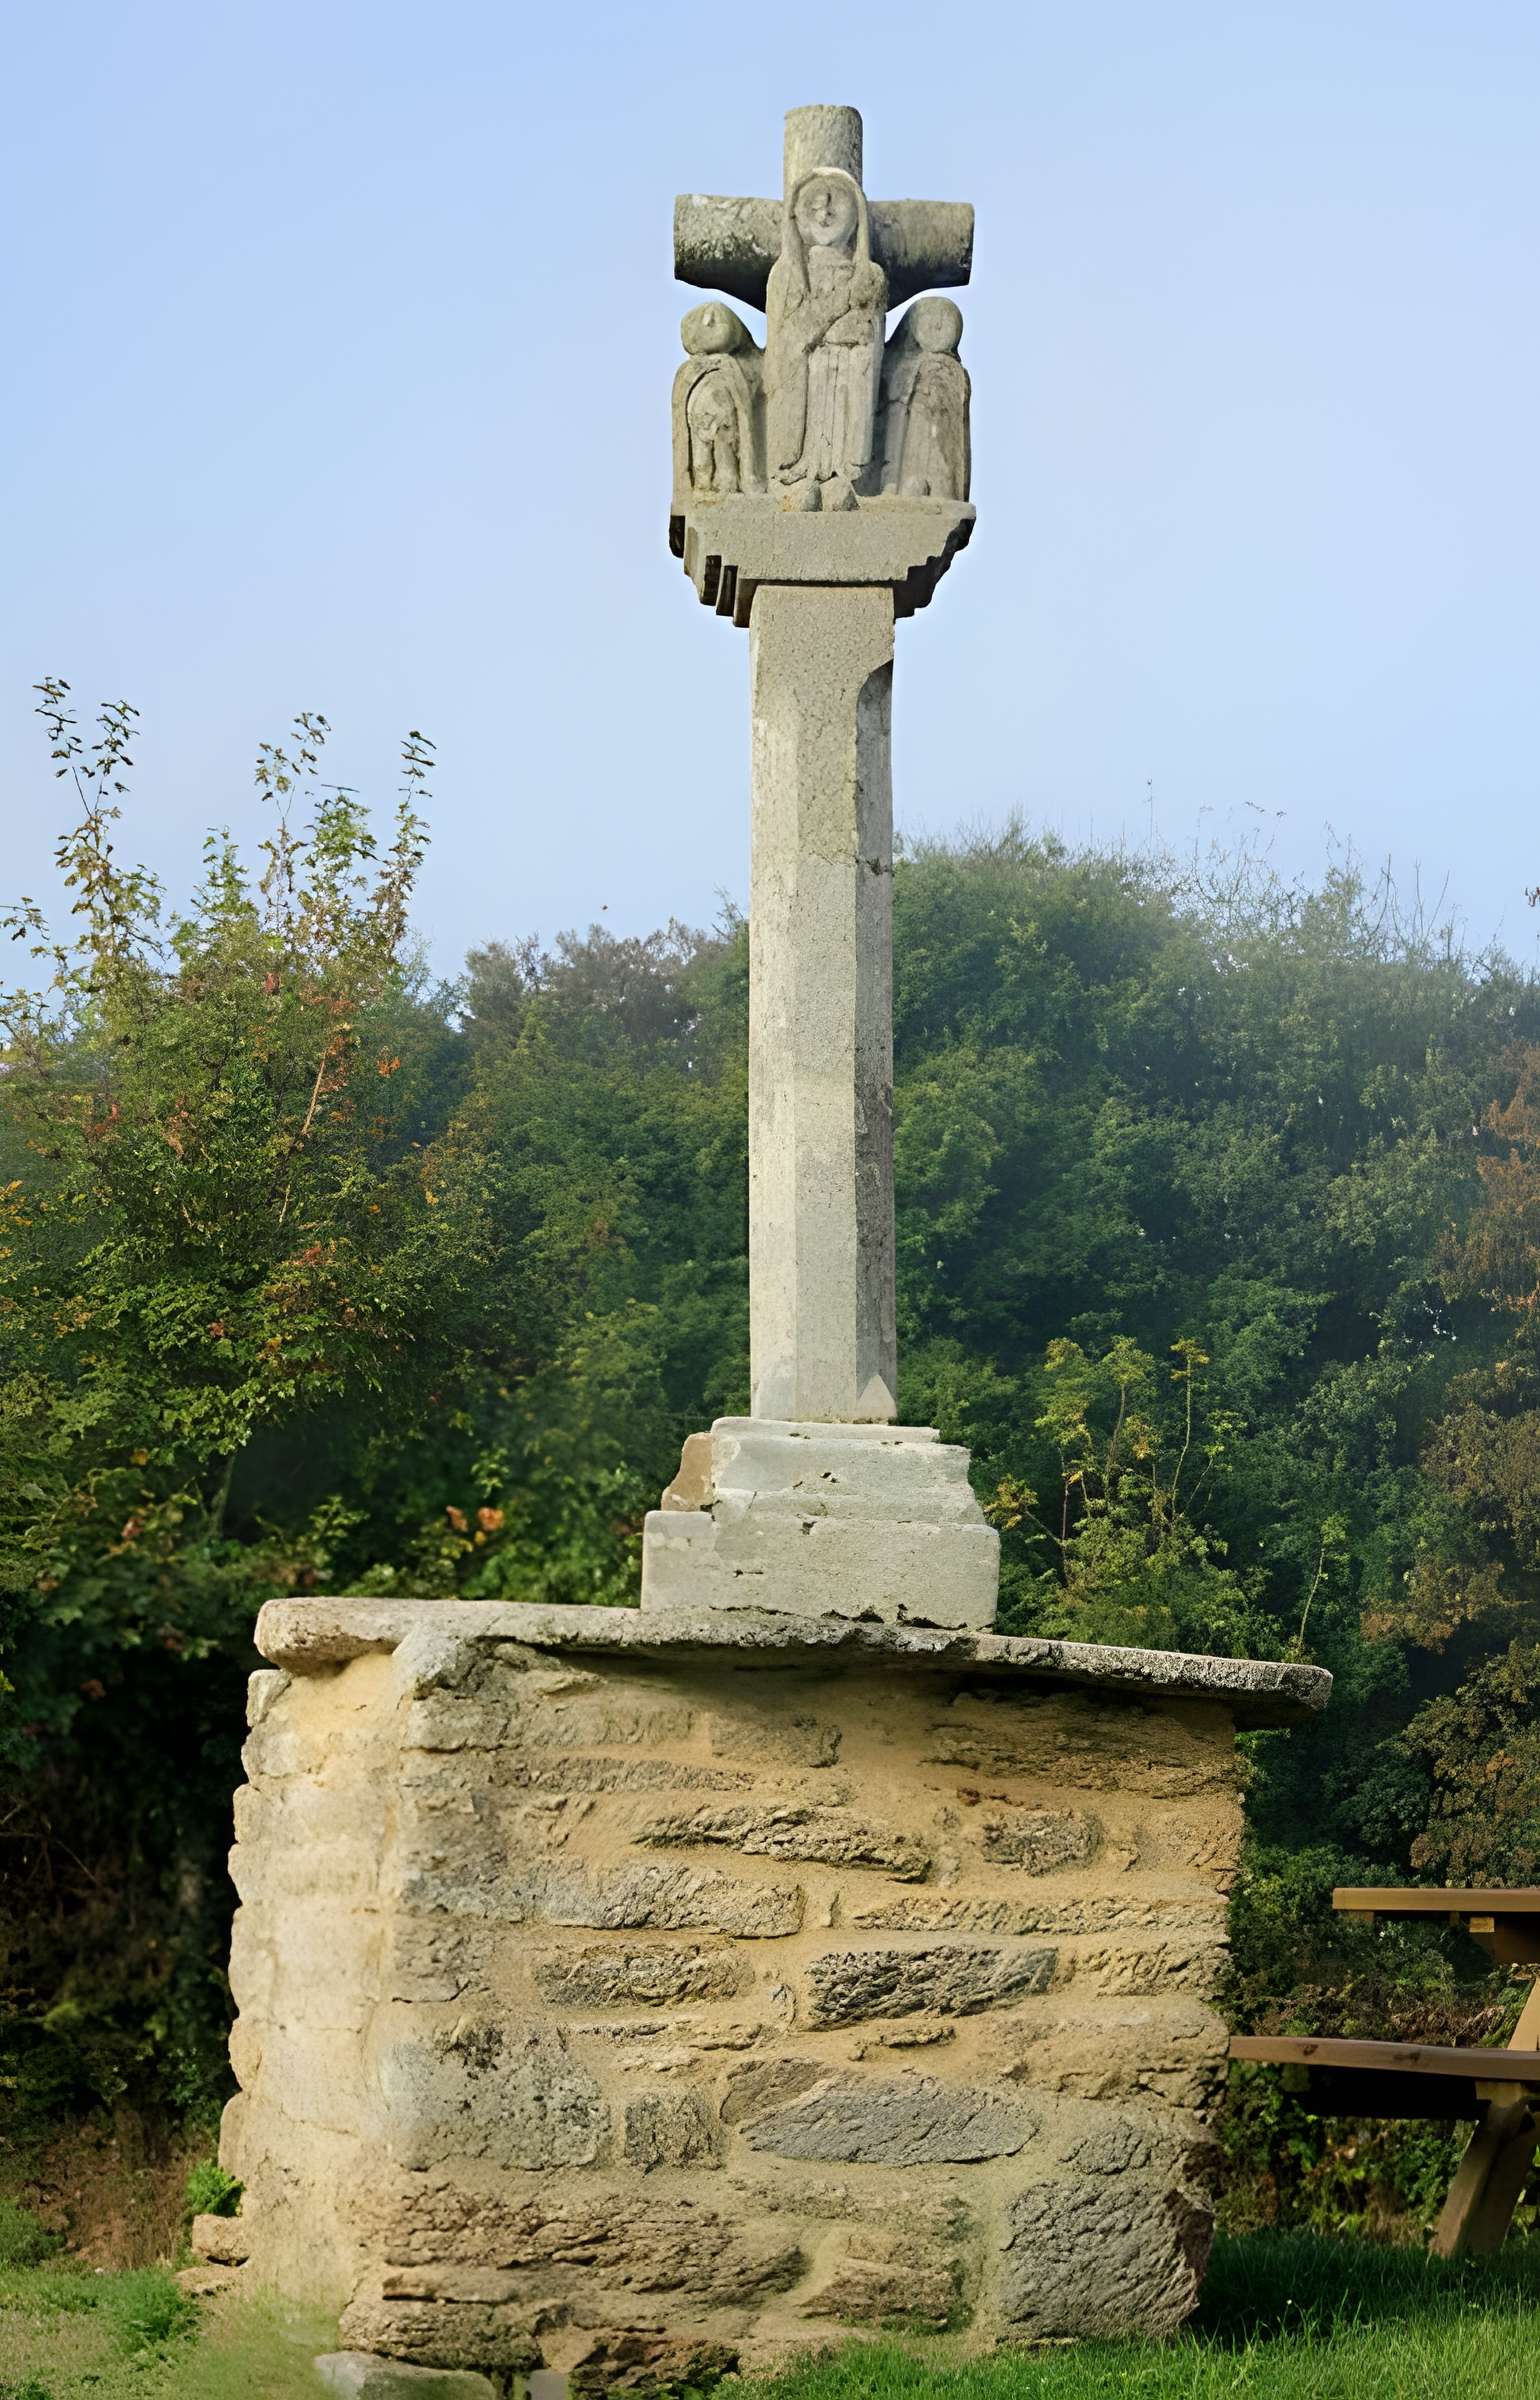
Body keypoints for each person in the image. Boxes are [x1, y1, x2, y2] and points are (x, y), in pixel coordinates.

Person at [765, 168, 887, 511]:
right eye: (813, 206)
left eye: (835, 204)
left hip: (849, 376)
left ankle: (842, 476)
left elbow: (866, 336)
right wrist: (838, 313)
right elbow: (788, 340)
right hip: (805, 382)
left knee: (843, 409)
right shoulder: (786, 275)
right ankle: (799, 472)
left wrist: (838, 333)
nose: (825, 213)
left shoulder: (870, 275)